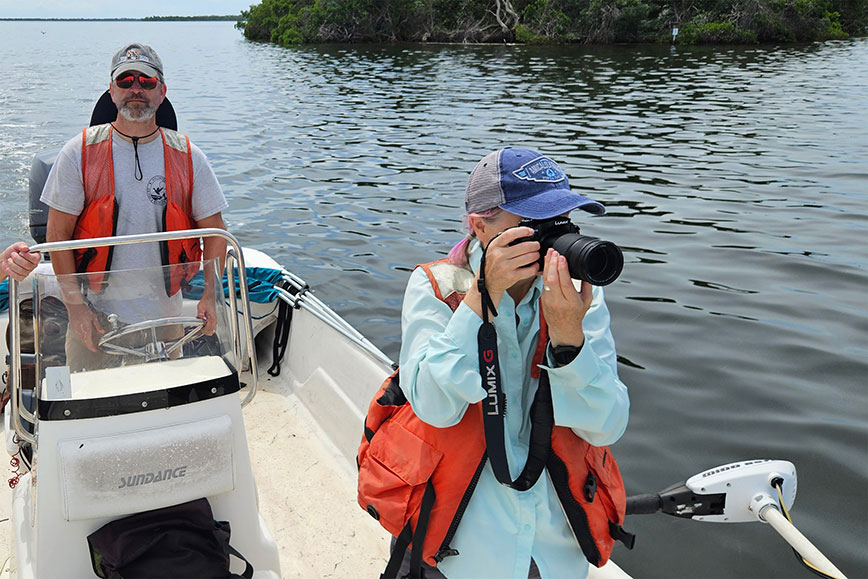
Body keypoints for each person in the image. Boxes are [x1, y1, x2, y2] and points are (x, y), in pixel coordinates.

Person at [396, 147, 630, 578]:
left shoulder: (577, 297)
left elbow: (607, 425)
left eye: (561, 224)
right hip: (460, 547)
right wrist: (479, 304)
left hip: (554, 546)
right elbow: (433, 405)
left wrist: (569, 341)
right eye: (533, 226)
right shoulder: (436, 287)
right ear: (480, 227)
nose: (552, 240)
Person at [40, 43, 228, 368]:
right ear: (111, 92)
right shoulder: (78, 153)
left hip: (167, 324)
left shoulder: (190, 157)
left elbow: (215, 234)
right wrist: (75, 308)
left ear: (162, 90)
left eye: (146, 81)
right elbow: (58, 237)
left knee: (162, 412)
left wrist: (210, 295)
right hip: (94, 321)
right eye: (126, 81)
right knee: (92, 411)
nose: (136, 89)